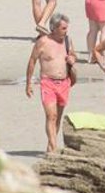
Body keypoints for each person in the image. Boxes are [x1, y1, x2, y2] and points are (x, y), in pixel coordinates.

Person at [25, 12, 77, 153]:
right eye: (63, 28)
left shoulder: (67, 40)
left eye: (66, 28)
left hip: (64, 83)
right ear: (54, 28)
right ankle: (54, 148)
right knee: (51, 116)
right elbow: (32, 61)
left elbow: (73, 54)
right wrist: (28, 83)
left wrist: (72, 59)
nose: (66, 31)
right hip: (47, 82)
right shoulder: (43, 42)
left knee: (57, 118)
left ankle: (50, 145)